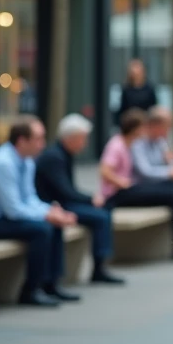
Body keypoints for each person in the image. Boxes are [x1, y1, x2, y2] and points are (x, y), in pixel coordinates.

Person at [0, 117, 80, 306]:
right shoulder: (3, 163)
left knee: (53, 224)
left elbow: (30, 198)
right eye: (38, 139)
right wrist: (47, 215)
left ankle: (51, 284)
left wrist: (53, 212)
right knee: (42, 230)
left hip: (8, 216)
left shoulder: (28, 161)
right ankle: (31, 290)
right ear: (22, 141)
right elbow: (13, 209)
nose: (43, 144)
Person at [34, 114, 125, 284]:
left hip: (60, 204)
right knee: (101, 216)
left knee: (103, 212)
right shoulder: (55, 157)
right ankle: (96, 269)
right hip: (55, 205)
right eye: (83, 138)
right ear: (71, 138)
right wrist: (91, 199)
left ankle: (99, 265)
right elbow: (65, 192)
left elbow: (67, 191)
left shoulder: (62, 154)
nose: (86, 143)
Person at [99, 108, 173, 258]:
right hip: (119, 192)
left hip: (131, 187)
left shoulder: (131, 142)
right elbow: (105, 170)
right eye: (143, 126)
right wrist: (121, 181)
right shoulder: (119, 144)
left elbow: (170, 163)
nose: (145, 129)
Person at [115, 58, 157, 126]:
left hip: (145, 123)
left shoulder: (149, 88)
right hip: (130, 123)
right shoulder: (126, 89)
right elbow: (123, 108)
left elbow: (153, 107)